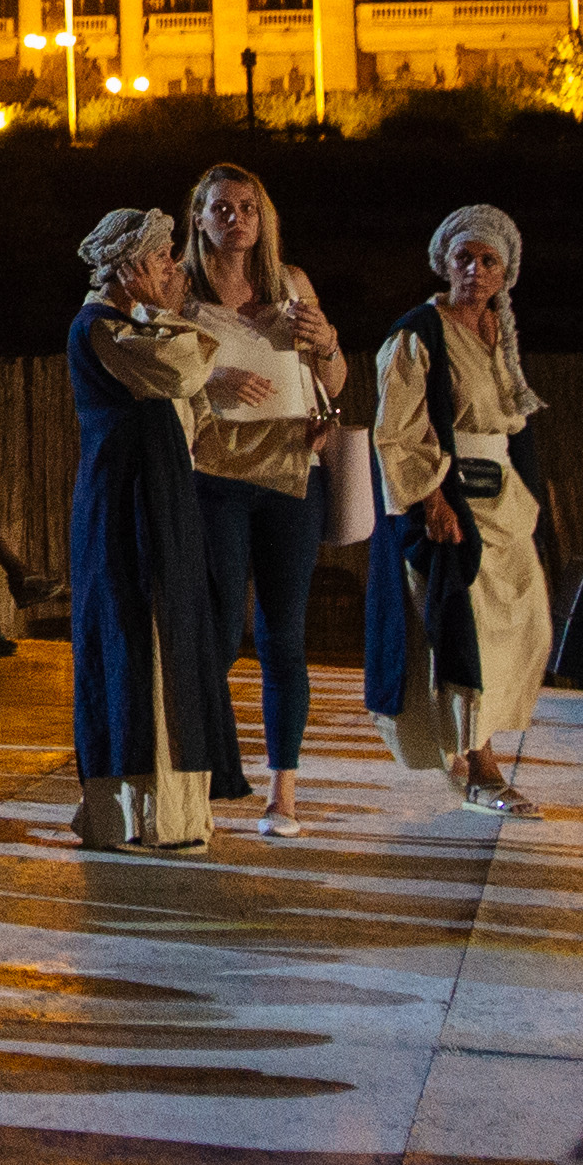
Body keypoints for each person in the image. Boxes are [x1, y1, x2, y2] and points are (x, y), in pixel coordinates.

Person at [61, 203, 247, 854]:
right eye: (165, 259)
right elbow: (182, 368)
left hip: (162, 501)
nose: (175, 270)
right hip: (127, 510)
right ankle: (133, 816)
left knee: (171, 642)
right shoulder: (103, 328)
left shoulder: (136, 325)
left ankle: (177, 813)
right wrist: (167, 313)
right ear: (135, 265)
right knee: (135, 643)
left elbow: (189, 398)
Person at [179, 159, 347, 841]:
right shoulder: (179, 291)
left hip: (289, 473)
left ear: (263, 217)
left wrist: (328, 342)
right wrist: (208, 380)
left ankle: (285, 794)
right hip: (214, 472)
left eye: (247, 208)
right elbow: (149, 371)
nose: (236, 219)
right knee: (216, 635)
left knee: (285, 634)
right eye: (221, 208)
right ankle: (203, 779)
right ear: (198, 217)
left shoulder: (291, 284)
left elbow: (333, 381)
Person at [368, 201, 554, 815]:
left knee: (523, 625)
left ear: (506, 272)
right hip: (454, 497)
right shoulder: (419, 333)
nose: (475, 270)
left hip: (504, 501)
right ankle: (477, 762)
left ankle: (479, 747)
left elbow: (512, 424)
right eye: (464, 258)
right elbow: (397, 429)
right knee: (464, 633)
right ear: (444, 264)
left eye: (488, 260)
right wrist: (431, 499)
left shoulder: (501, 333)